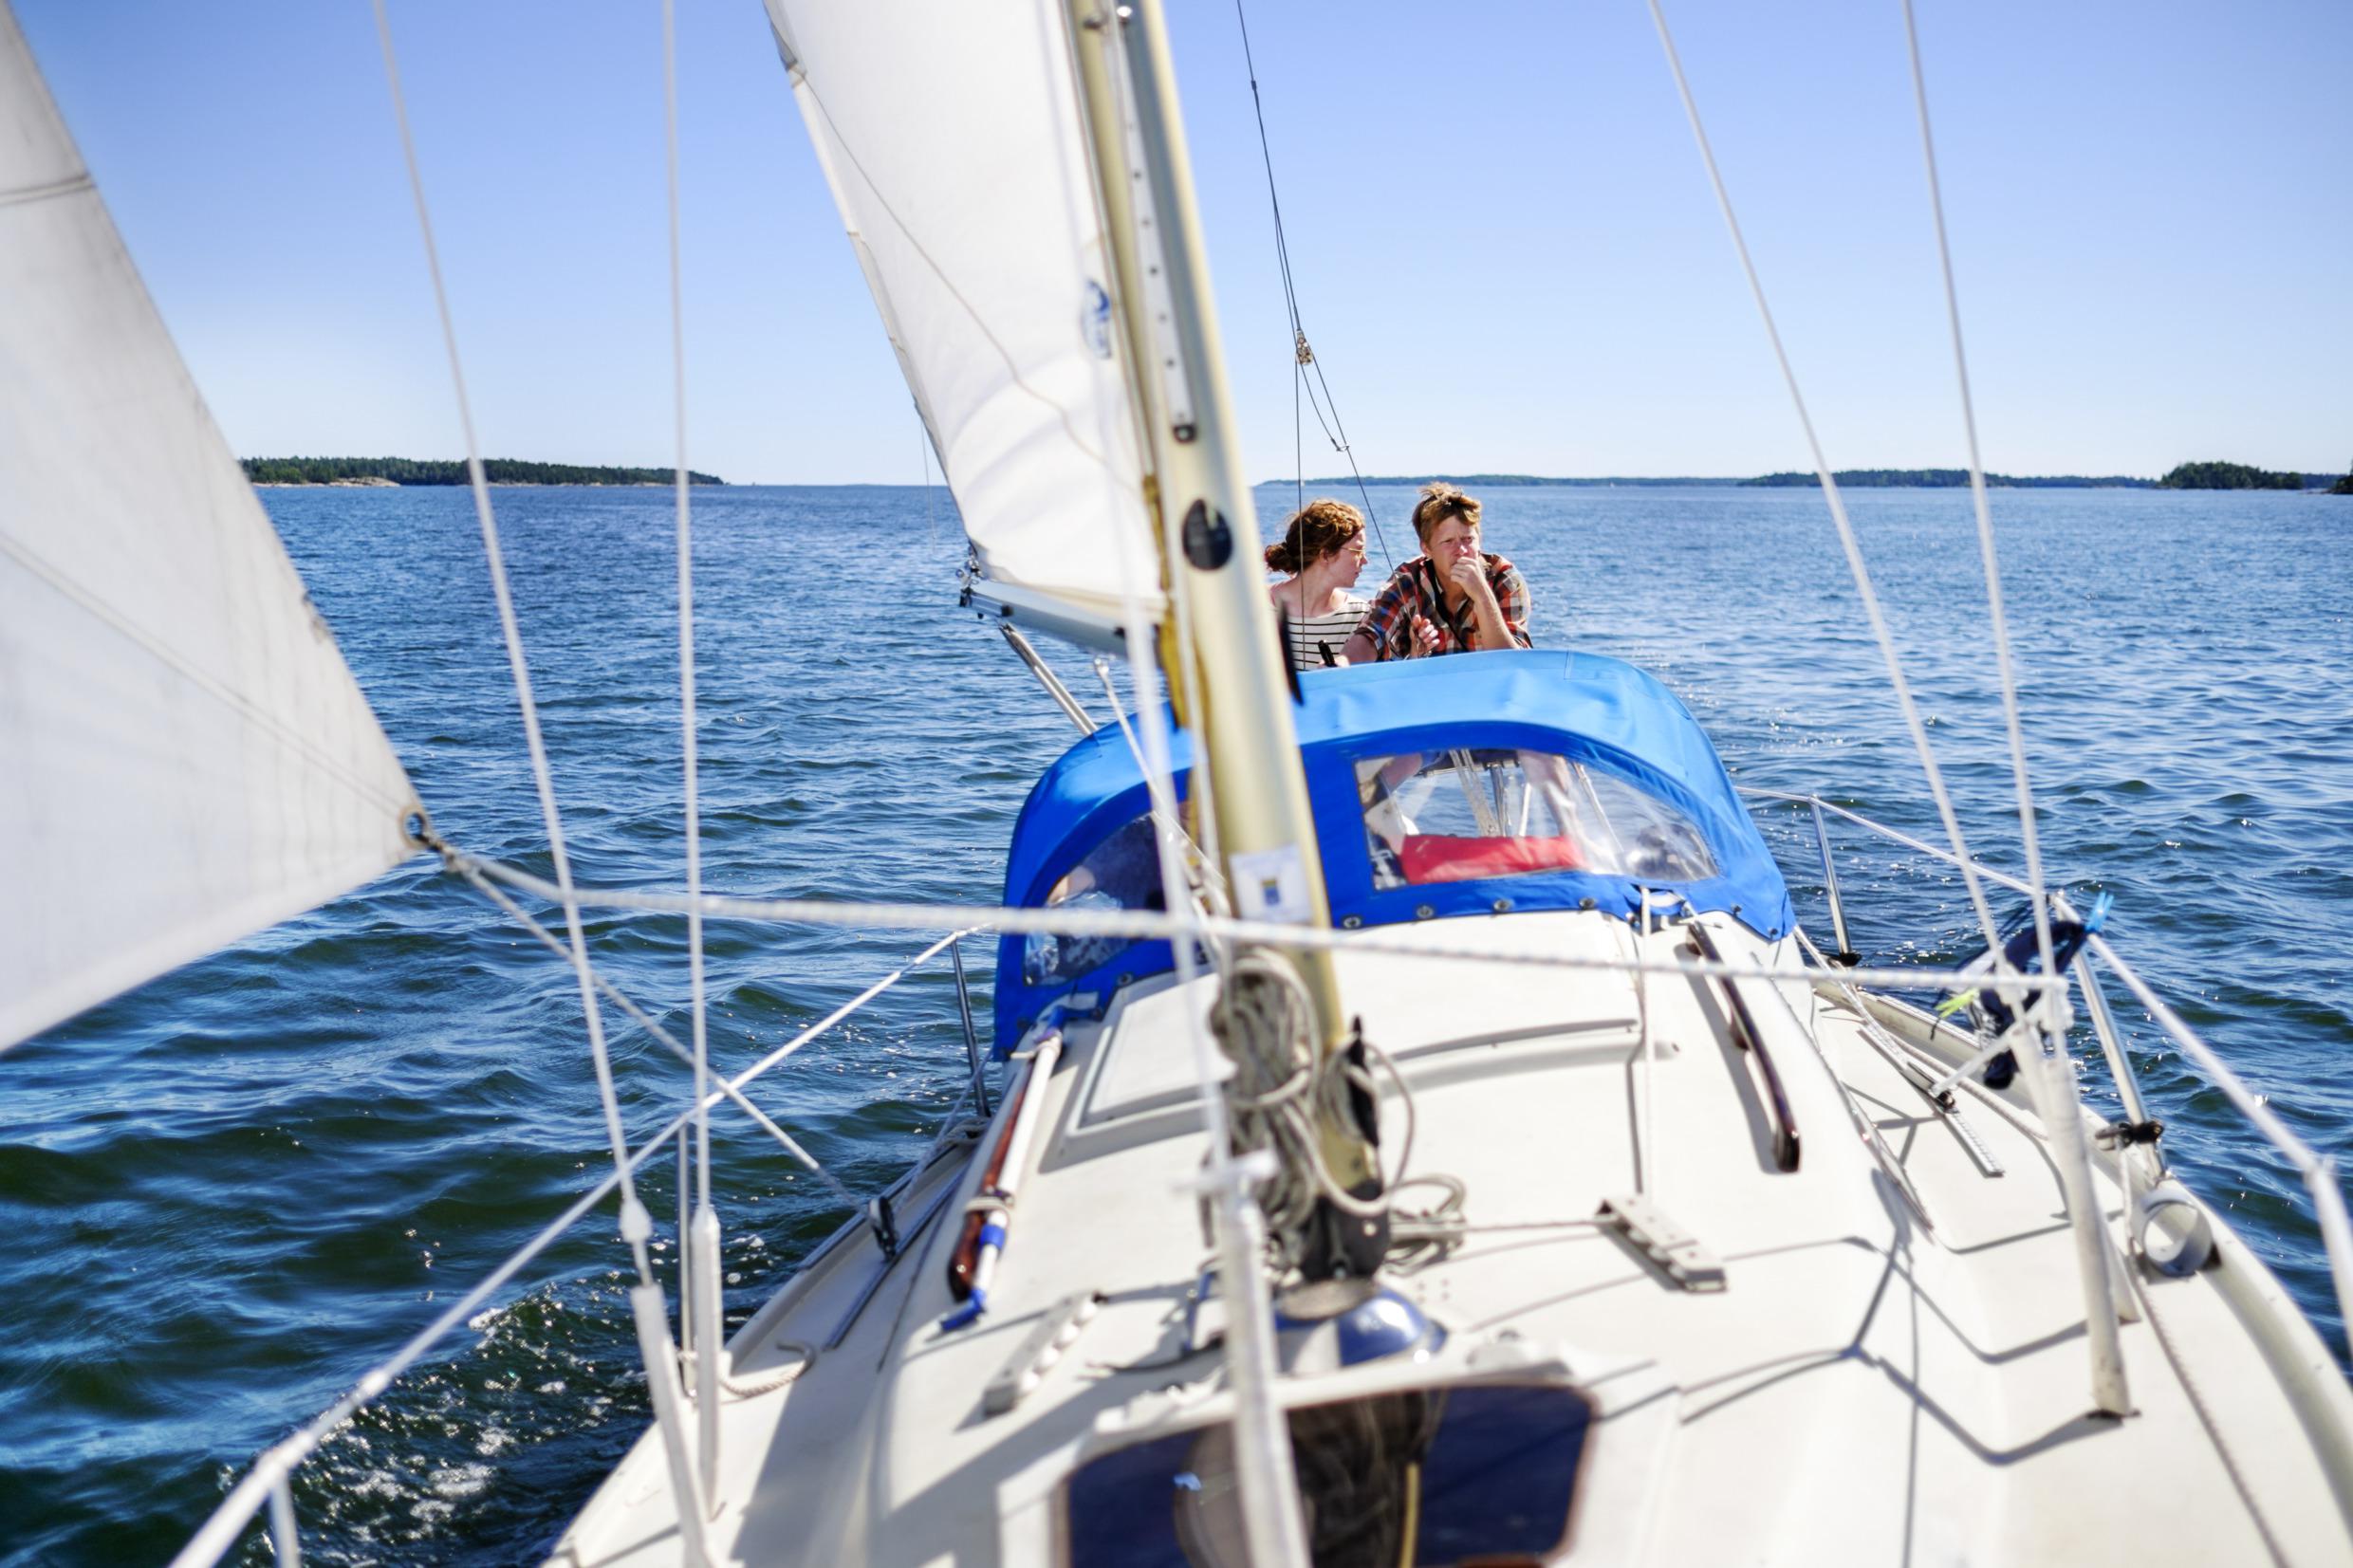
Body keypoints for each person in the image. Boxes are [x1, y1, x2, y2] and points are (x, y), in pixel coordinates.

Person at [1341, 483, 1530, 664]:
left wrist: (1483, 597)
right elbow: (1373, 633)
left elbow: (1515, 663)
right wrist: (1342, 664)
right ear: (1426, 549)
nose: (1461, 550)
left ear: (1479, 540)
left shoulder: (1504, 578)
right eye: (1448, 541)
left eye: (1468, 539)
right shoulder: (1409, 579)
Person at [1266, 498, 1373, 670]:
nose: (1365, 560)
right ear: (1325, 555)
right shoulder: (1256, 605)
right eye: (1358, 551)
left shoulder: (1361, 615)